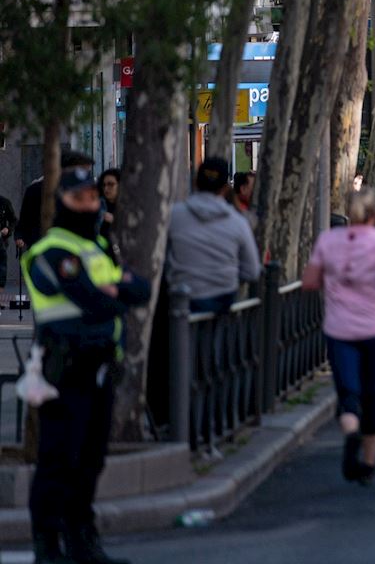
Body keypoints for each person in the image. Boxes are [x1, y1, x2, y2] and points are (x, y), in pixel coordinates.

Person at [22, 162, 151, 564]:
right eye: (80, 198)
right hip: (65, 369)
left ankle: (83, 541)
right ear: (61, 202)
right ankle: (48, 545)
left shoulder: (96, 248)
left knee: (91, 459)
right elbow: (96, 301)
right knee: (59, 459)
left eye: (93, 197)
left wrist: (115, 290)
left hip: (100, 367)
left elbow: (141, 289)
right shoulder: (50, 251)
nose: (90, 204)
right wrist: (115, 291)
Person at [302, 187, 375, 486]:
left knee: (348, 393)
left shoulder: (328, 240)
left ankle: (350, 433)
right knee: (372, 395)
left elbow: (309, 281)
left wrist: (334, 279)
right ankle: (369, 464)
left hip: (339, 330)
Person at [166, 157, 262, 315]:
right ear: (225, 188)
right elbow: (252, 271)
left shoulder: (173, 216)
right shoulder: (238, 222)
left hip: (181, 304)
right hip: (222, 303)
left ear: (196, 182)